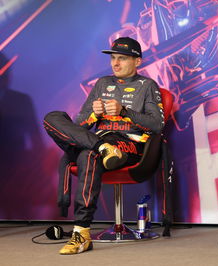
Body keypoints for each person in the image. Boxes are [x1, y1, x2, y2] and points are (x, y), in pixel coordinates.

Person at [43, 37, 164, 255]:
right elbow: (78, 123)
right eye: (113, 58)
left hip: (129, 146)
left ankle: (81, 233)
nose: (115, 64)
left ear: (137, 62)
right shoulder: (101, 83)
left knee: (88, 154)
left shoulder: (147, 86)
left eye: (122, 59)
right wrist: (93, 115)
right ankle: (100, 147)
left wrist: (124, 111)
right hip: (98, 143)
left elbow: (157, 125)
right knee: (53, 117)